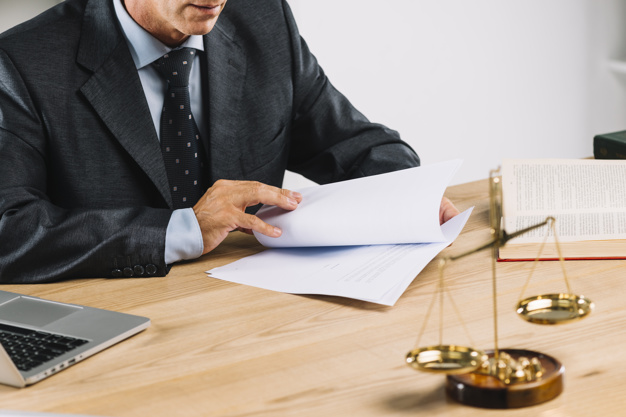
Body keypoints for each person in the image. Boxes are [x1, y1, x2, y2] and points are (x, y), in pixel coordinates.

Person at [0, 0, 459, 283]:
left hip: (251, 310)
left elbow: (354, 143)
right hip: (116, 322)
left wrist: (409, 196)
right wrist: (181, 230)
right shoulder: (23, 60)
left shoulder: (265, 18)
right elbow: (10, 231)